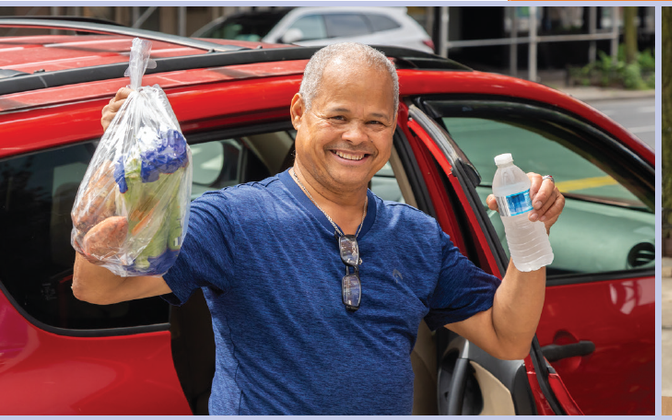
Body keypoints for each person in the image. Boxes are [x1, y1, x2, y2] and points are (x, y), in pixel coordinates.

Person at [72, 43, 565, 414]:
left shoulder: (416, 236)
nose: (356, 136)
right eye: (338, 116)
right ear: (299, 113)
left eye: (375, 122)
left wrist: (529, 237)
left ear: (393, 128)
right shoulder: (231, 220)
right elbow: (97, 287)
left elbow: (506, 337)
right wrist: (119, 167)